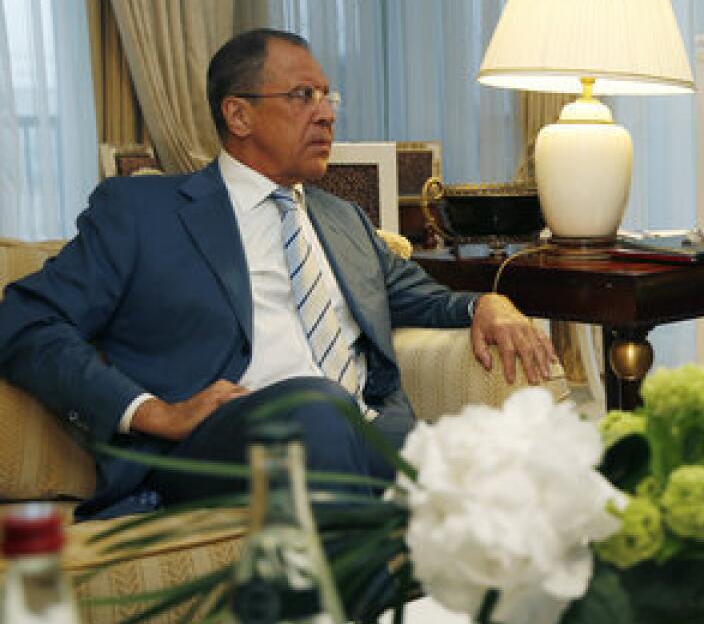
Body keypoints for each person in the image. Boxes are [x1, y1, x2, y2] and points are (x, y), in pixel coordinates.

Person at [0, 28, 559, 519]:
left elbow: (422, 297)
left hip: (360, 428)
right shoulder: (143, 212)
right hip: (219, 445)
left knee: (508, 460)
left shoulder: (341, 219)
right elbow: (24, 321)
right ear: (237, 114)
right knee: (319, 408)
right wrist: (155, 413)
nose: (327, 112)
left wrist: (488, 304)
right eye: (302, 96)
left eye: (326, 96)